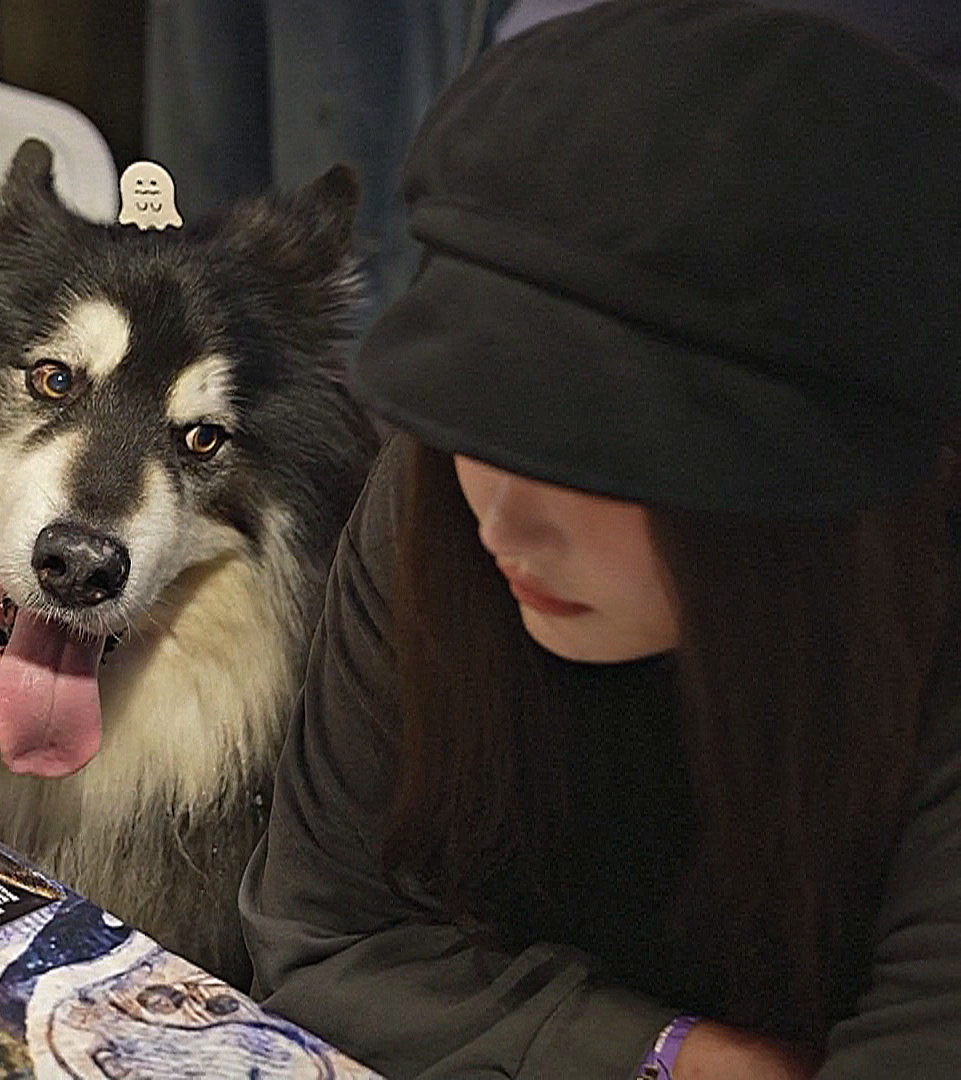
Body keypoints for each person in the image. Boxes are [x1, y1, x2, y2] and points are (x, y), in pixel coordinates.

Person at [239, 2, 961, 1077]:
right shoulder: (439, 486)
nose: (503, 523)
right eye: (475, 415)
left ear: (813, 488)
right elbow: (320, 942)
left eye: (593, 455)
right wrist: (685, 1056)